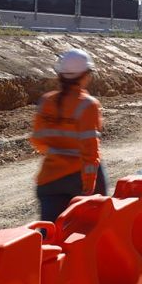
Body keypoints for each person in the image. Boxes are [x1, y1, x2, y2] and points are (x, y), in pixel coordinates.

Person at [30, 48, 107, 221]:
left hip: (49, 178)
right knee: (95, 224)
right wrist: (89, 186)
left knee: (51, 233)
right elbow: (90, 150)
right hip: (78, 178)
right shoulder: (88, 104)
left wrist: (57, 154)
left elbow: (37, 140)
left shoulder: (46, 101)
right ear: (85, 75)